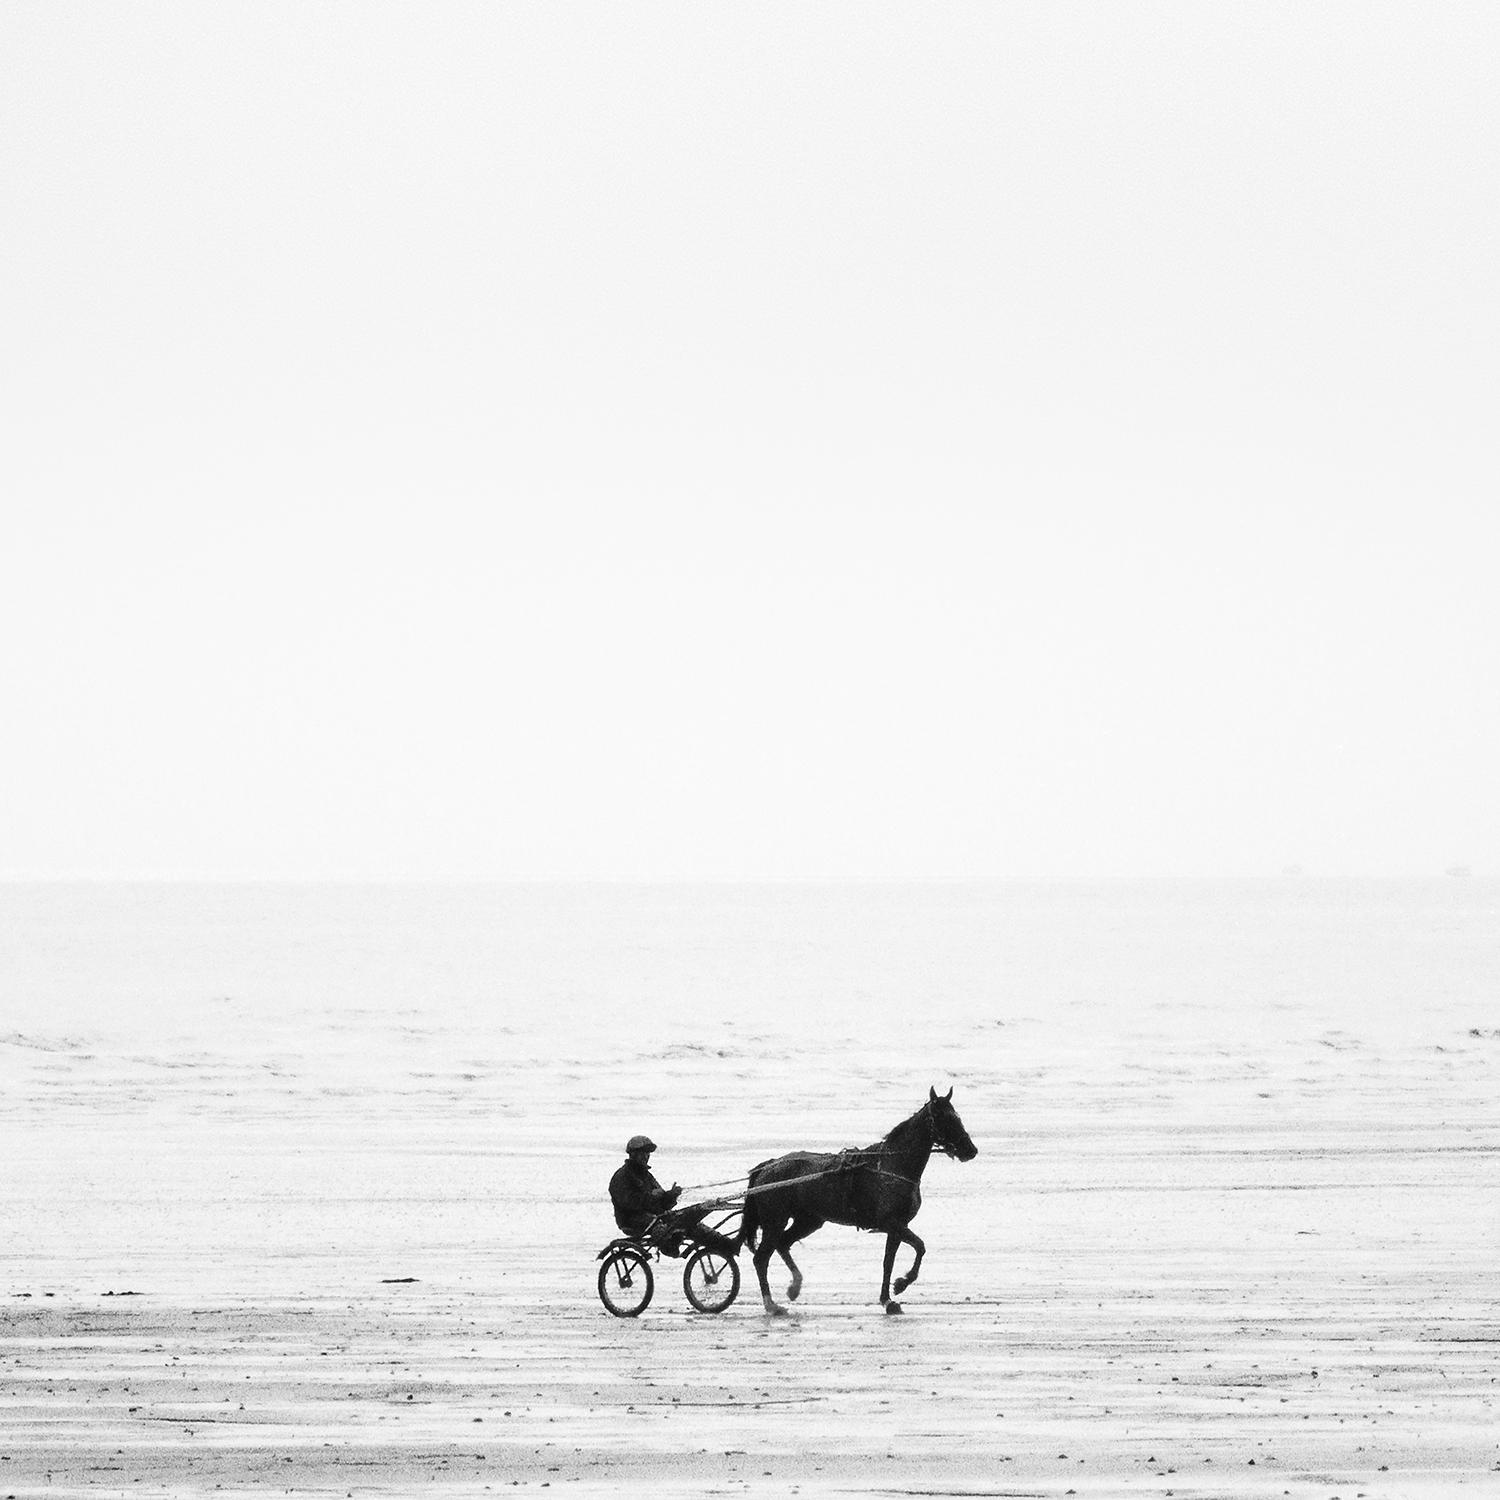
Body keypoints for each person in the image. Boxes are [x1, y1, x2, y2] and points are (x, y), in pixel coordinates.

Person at [609, 1134, 736, 1257]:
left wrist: (671, 1195)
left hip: (654, 1217)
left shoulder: (647, 1176)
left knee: (691, 1223)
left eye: (647, 1153)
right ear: (633, 1154)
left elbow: (663, 1204)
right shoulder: (622, 1176)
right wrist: (651, 1196)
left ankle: (727, 1245)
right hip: (631, 1220)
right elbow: (628, 1202)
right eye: (643, 1153)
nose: (646, 1156)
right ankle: (670, 1246)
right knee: (662, 1226)